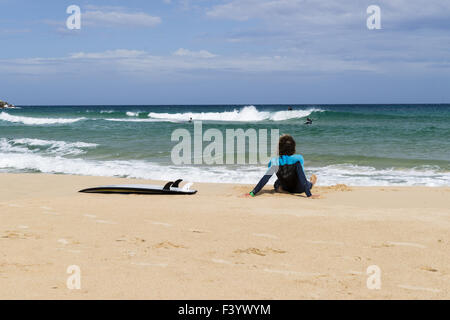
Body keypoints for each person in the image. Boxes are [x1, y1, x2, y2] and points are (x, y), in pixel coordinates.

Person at [248, 134, 318, 198]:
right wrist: (309, 195)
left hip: (285, 187)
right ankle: (312, 182)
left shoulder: (274, 161)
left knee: (277, 183)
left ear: (279, 149)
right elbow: (302, 178)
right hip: (300, 189)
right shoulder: (298, 159)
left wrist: (252, 193)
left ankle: (280, 188)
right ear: (293, 148)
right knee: (308, 184)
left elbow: (266, 178)